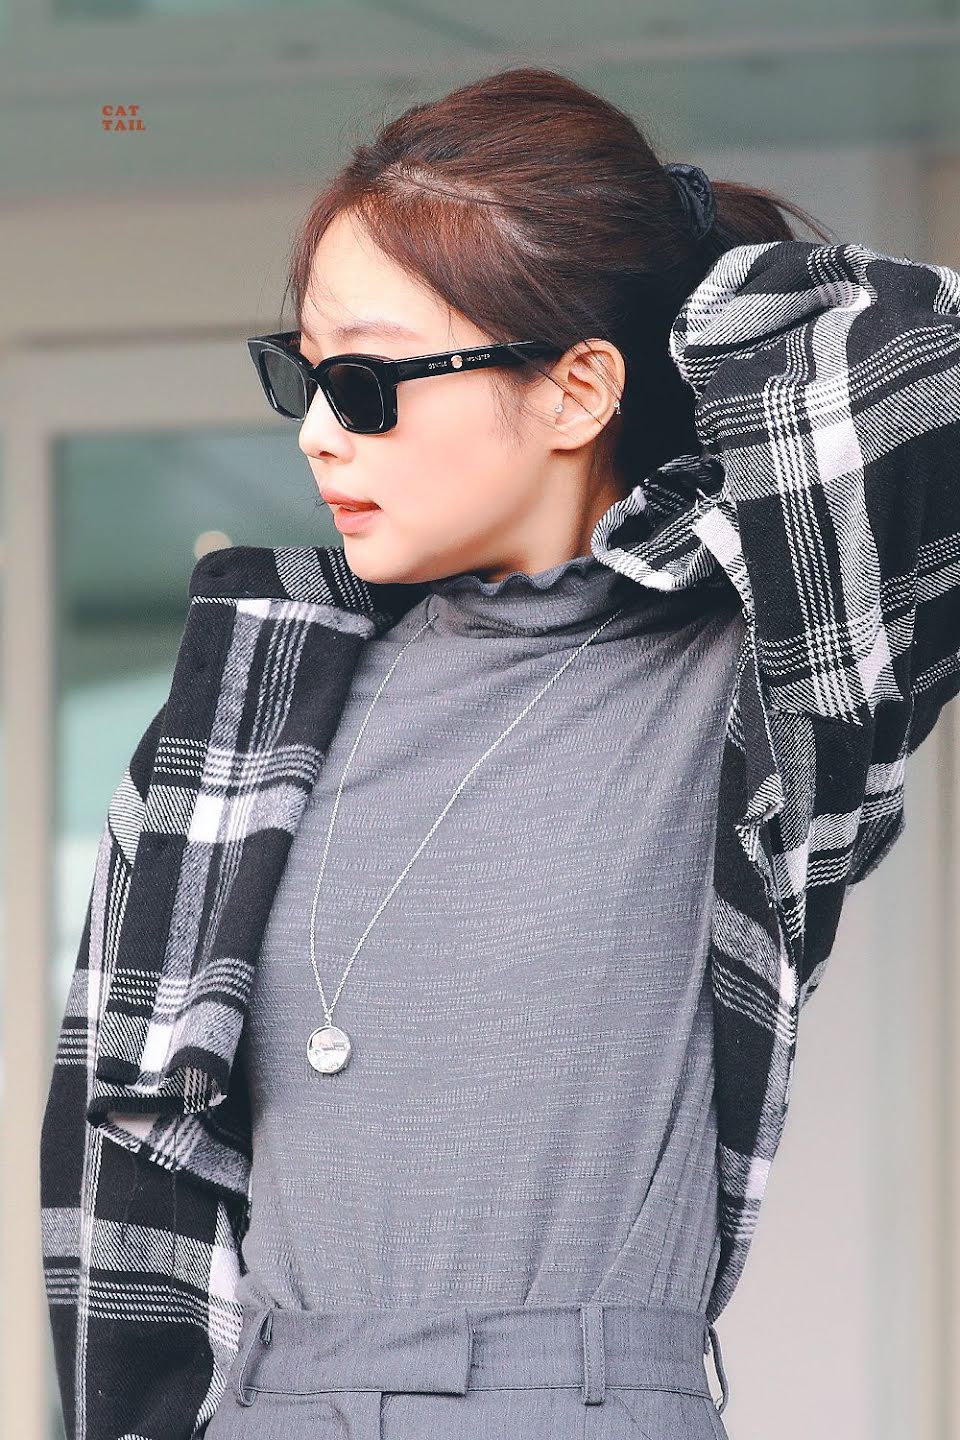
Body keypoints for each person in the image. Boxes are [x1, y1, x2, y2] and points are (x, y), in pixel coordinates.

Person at [39, 65, 960, 1440]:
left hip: (581, 1402)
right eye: (302, 373)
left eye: (366, 382)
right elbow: (118, 1190)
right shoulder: (243, 710)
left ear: (577, 388)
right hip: (270, 1404)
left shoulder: (756, 668)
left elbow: (922, 360)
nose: (316, 434)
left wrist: (670, 250)